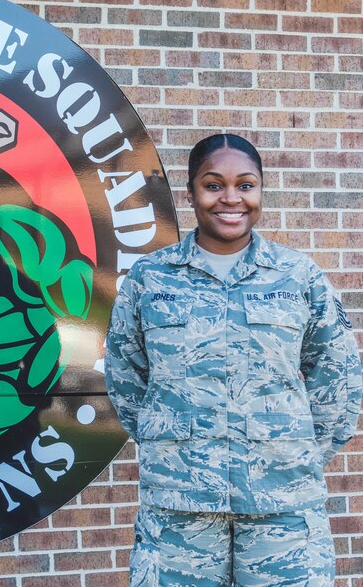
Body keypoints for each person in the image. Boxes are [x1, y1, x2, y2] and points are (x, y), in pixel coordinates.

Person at [104, 133, 362, 586]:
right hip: (180, 507)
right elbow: (127, 379)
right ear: (191, 194)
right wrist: (177, 448)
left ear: (260, 192)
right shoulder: (150, 278)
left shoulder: (298, 276)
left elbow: (338, 380)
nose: (230, 198)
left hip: (281, 505)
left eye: (245, 185)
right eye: (213, 184)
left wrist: (286, 453)